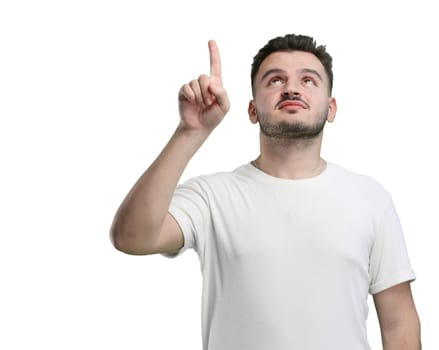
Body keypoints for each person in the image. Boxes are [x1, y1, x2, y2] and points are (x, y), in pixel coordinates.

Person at [110, 34, 421, 350]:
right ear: (252, 110)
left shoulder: (370, 199)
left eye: (308, 80)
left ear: (331, 108)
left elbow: (398, 324)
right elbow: (132, 237)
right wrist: (191, 131)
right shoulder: (211, 197)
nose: (291, 88)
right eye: (275, 80)